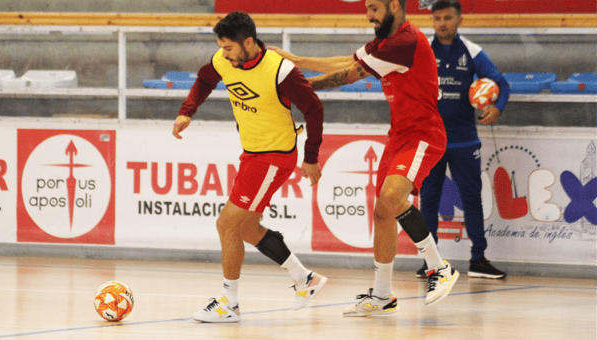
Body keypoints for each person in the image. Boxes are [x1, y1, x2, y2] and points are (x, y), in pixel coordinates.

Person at [270, 0, 458, 316]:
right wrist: (296, 60)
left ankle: (438, 267)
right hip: (398, 136)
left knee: (391, 197)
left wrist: (295, 91)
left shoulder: (405, 41)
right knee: (382, 213)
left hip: (422, 135)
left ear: (395, 6)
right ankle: (383, 295)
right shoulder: (384, 42)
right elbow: (348, 60)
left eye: (373, 8)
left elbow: (348, 75)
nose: (368, 14)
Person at [172, 11, 327, 323]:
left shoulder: (280, 71)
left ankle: (230, 304)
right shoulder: (223, 60)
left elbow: (314, 109)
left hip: (274, 156)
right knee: (244, 228)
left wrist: (311, 158)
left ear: (248, 42)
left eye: (229, 48)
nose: (224, 55)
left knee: (226, 224)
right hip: (252, 154)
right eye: (221, 48)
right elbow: (204, 79)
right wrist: (187, 111)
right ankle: (304, 278)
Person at [415, 0, 509, 280]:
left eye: (447, 18)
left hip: (465, 141)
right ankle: (430, 262)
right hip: (430, 141)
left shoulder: (472, 52)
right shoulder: (421, 51)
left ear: (459, 20)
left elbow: (501, 83)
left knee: (472, 200)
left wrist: (497, 107)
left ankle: (478, 260)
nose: (442, 23)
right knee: (428, 200)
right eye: (437, 19)